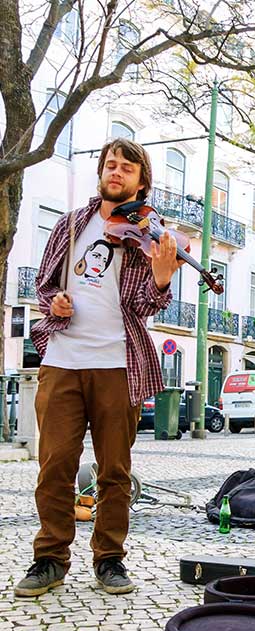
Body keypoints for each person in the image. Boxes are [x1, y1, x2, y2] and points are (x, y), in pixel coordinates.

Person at [15, 139, 180, 597]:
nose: (117, 172)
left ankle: (109, 560)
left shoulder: (150, 235)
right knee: (55, 466)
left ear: (141, 180)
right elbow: (45, 285)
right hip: (62, 359)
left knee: (115, 471)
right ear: (101, 173)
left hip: (117, 362)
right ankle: (49, 558)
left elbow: (146, 305)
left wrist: (163, 279)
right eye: (110, 164)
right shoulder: (71, 226)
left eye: (127, 167)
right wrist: (57, 302)